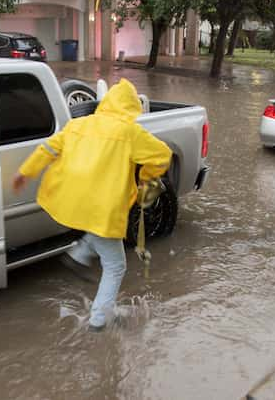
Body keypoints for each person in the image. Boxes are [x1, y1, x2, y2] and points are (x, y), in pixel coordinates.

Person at [13, 78, 172, 332]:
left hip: (73, 201)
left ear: (106, 103)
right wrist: (145, 178)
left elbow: (48, 148)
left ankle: (80, 253)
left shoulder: (78, 124)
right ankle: (99, 320)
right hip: (101, 207)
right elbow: (162, 155)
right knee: (116, 265)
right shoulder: (129, 132)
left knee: (96, 229)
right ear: (131, 108)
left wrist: (25, 172)